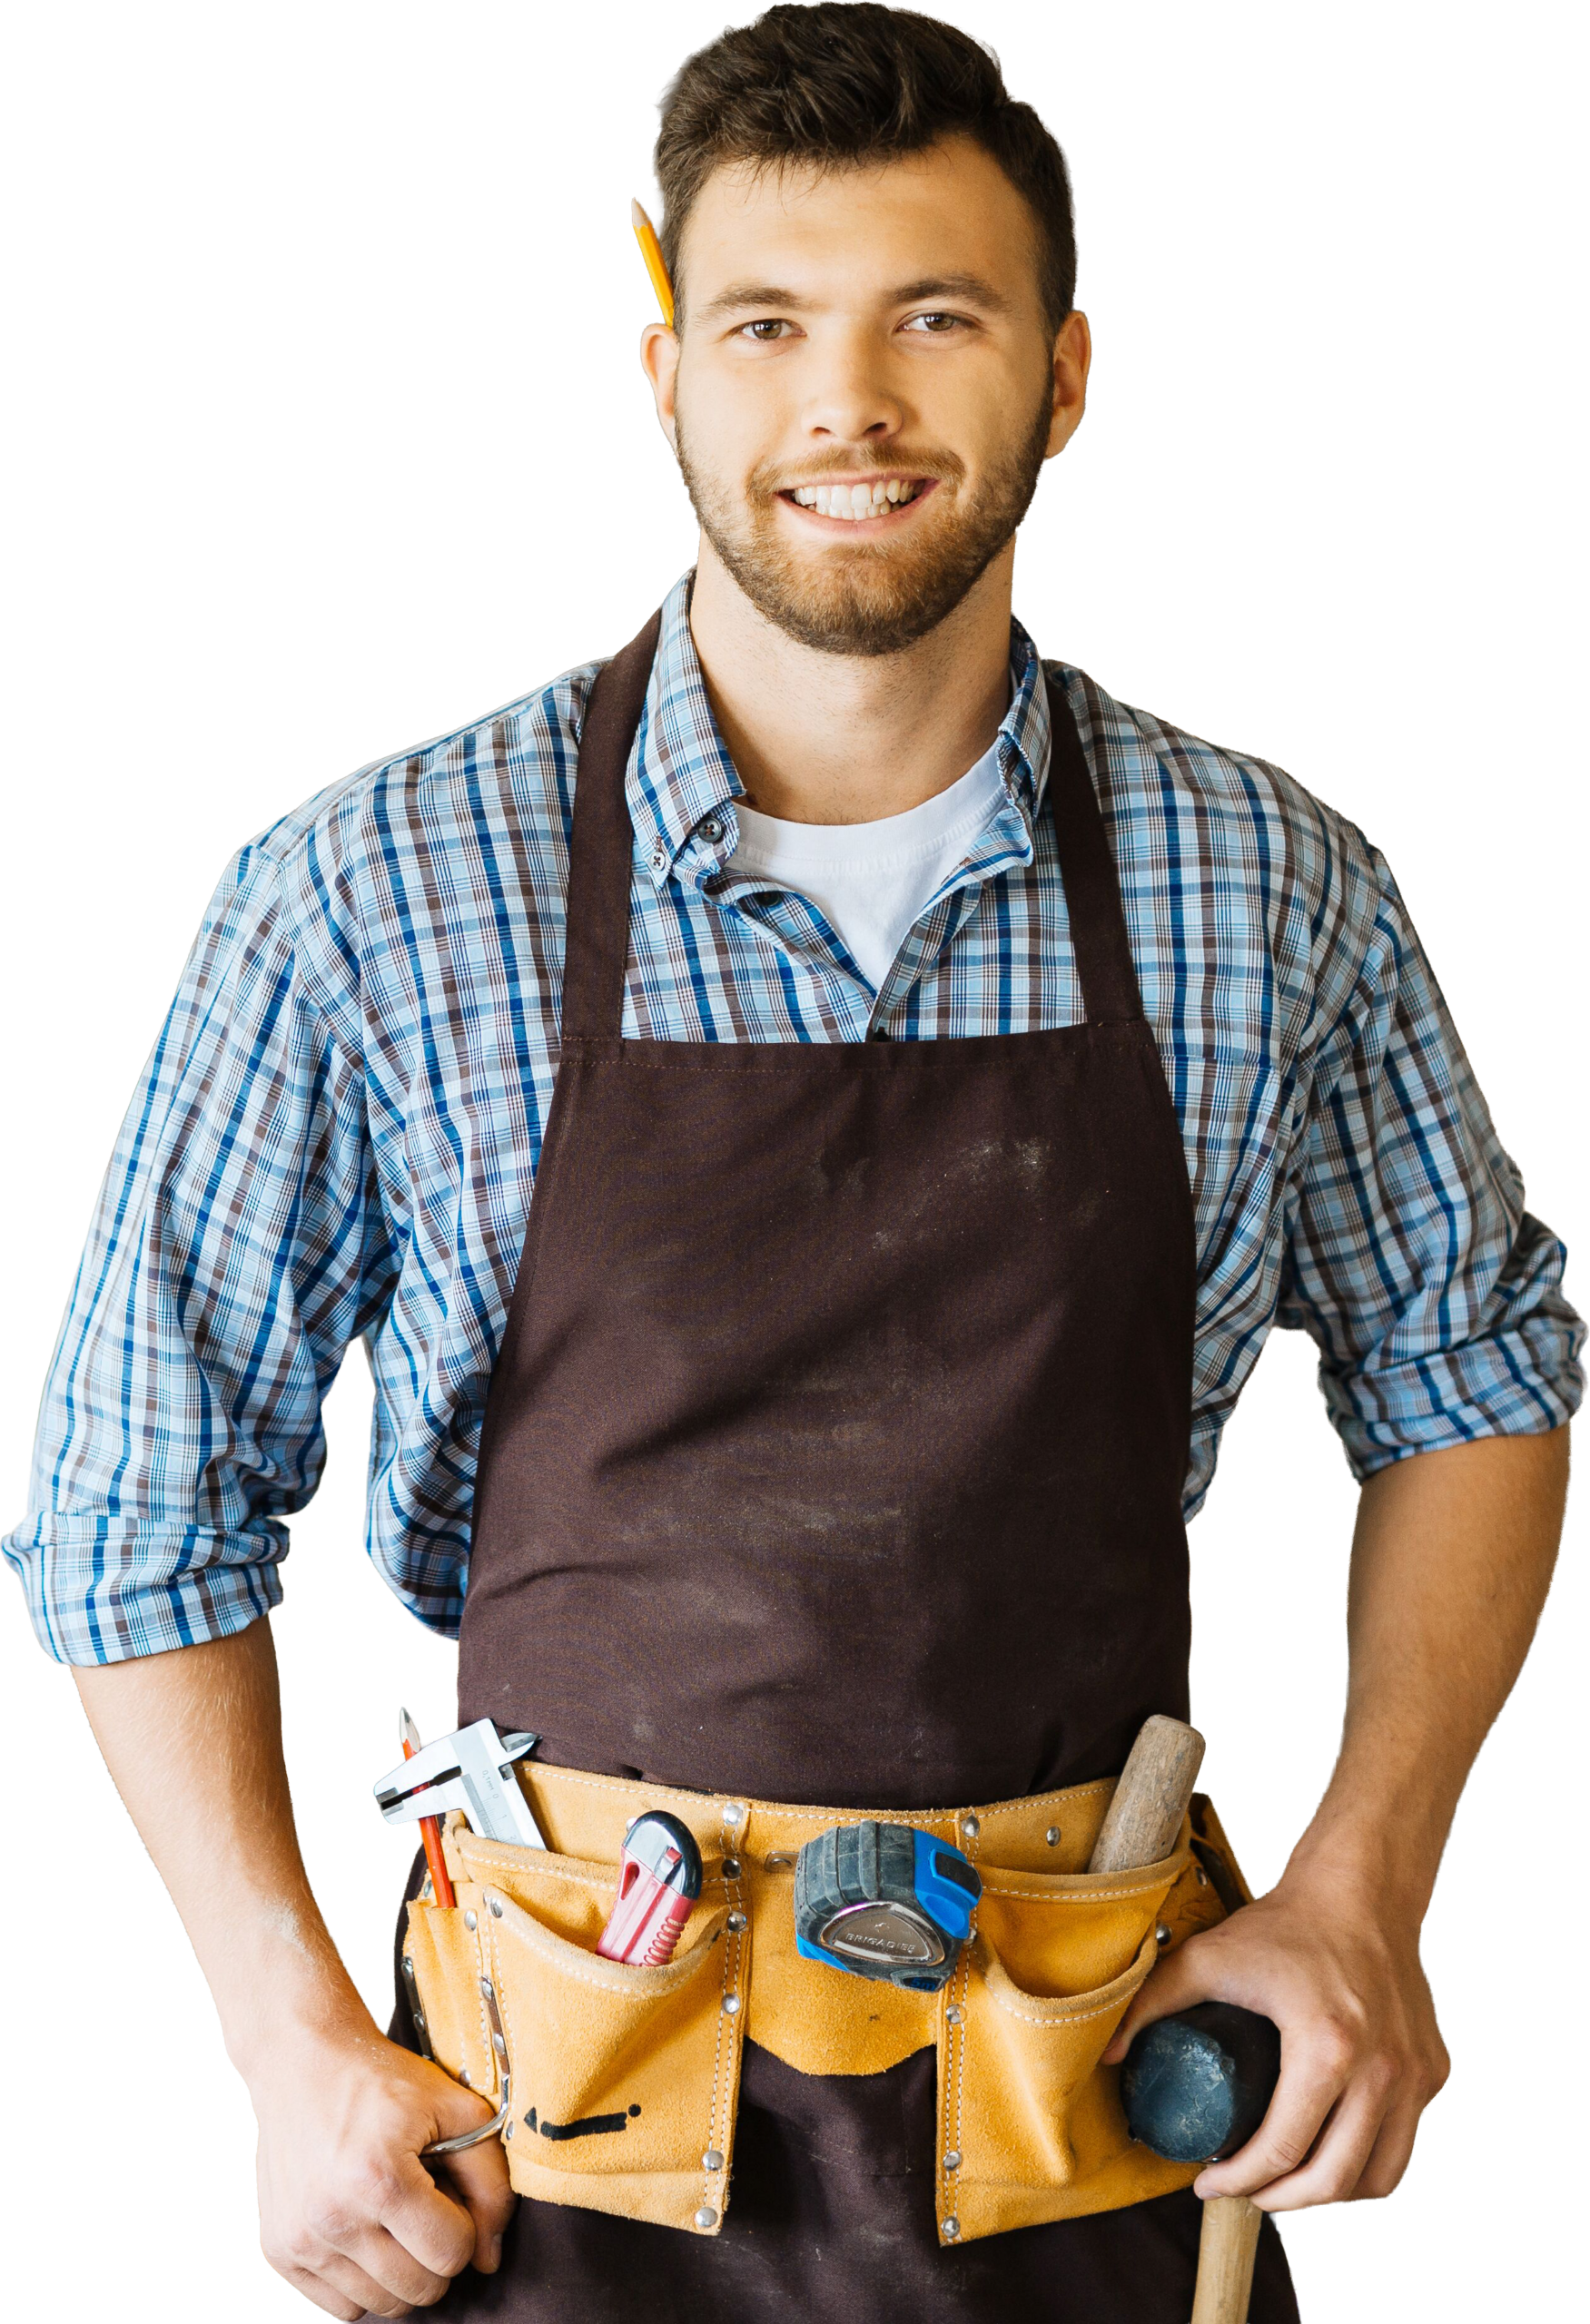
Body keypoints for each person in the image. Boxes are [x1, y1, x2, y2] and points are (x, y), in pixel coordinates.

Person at [5, 7, 1579, 2319]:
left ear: (1057, 377)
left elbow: (1472, 1375)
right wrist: (283, 2028)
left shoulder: (1267, 883)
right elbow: (139, 1500)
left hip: (1092, 2105)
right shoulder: (372, 887)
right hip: (552, 2129)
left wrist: (1358, 1885)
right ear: (666, 380)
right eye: (766, 327)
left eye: (930, 319)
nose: (845, 404)